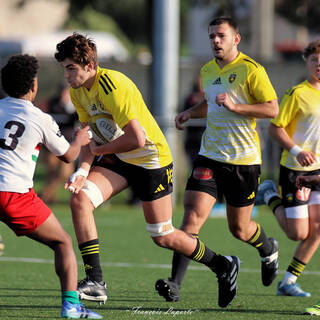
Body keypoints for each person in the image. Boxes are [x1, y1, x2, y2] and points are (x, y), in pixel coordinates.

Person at [54, 32, 240, 309]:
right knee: (80, 199)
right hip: (119, 156)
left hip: (151, 160)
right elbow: (88, 136)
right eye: (64, 68)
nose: (67, 75)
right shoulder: (79, 91)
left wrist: (95, 152)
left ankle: (223, 264)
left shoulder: (112, 85)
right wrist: (82, 171)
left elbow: (137, 139)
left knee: (163, 235)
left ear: (90, 66)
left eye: (71, 68)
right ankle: (96, 281)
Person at [154, 16, 280, 302]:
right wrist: (190, 113)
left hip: (243, 161)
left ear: (236, 39)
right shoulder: (208, 69)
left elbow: (272, 108)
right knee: (191, 219)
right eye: (211, 36)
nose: (215, 41)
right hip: (209, 155)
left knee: (240, 229)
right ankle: (175, 283)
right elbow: (211, 106)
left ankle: (267, 247)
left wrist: (236, 106)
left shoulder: (251, 69)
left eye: (221, 35)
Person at [0, 54, 102, 319]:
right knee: (63, 243)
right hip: (14, 195)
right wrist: (80, 139)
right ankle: (70, 306)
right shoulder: (38, 117)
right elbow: (68, 156)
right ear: (33, 86)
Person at [255, 40, 320, 298]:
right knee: (298, 233)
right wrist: (297, 151)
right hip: (295, 170)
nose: (319, 64)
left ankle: (289, 281)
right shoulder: (298, 93)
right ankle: (270, 194)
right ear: (307, 62)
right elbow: (275, 128)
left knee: (318, 230)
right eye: (314, 59)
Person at [40, 83, 78, 204]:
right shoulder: (51, 104)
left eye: (67, 92)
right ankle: (50, 198)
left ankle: (44, 194)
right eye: (63, 92)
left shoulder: (74, 107)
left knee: (64, 173)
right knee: (51, 173)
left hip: (67, 146)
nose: (64, 95)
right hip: (50, 147)